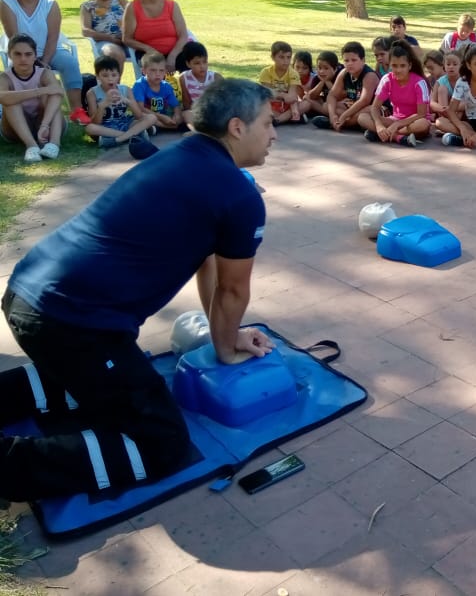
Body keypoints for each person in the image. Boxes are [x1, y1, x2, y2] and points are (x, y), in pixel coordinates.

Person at [0, 78, 276, 502]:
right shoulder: (238, 196)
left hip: (28, 295)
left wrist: (226, 336)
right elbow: (233, 293)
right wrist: (225, 349)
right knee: (162, 443)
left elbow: (210, 267)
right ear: (237, 127)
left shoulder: (184, 155)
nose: (274, 134)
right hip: (72, 323)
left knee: (96, 374)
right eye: (268, 123)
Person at [1, 0, 84, 118]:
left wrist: (44, 61)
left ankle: (77, 110)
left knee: (70, 63)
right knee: (17, 69)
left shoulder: (50, 4)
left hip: (50, 50)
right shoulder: (6, 3)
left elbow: (53, 37)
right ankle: (21, 111)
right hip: (21, 51)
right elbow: (14, 36)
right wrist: (31, 59)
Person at [0, 33, 65, 162]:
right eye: (17, 54)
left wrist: (45, 125)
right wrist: (40, 91)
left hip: (46, 124)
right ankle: (31, 146)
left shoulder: (45, 73)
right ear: (10, 56)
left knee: (53, 96)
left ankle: (54, 144)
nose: (23, 59)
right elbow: (2, 98)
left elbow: (58, 93)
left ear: (35, 56)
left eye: (28, 54)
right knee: (11, 100)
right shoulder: (4, 77)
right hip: (15, 129)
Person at [358, 42, 430, 146]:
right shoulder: (387, 79)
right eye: (394, 66)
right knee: (362, 117)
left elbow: (421, 114)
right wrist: (379, 126)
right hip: (394, 120)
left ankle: (384, 134)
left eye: (402, 66)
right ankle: (398, 137)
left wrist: (397, 124)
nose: (398, 70)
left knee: (422, 124)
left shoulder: (419, 82)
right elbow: (375, 107)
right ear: (390, 65)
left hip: (413, 122)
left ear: (409, 66)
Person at [122, 0, 192, 74]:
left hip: (175, 51)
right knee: (155, 71)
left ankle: (194, 89)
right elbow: (127, 39)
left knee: (194, 59)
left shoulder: (172, 5)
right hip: (148, 53)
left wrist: (172, 56)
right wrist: (148, 49)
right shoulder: (132, 7)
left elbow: (183, 35)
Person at [84, 55, 157, 148]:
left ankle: (118, 139)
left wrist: (127, 101)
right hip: (106, 127)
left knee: (151, 117)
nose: (110, 79)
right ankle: (134, 135)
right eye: (105, 76)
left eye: (114, 75)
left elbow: (138, 115)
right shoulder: (92, 93)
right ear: (98, 76)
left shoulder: (125, 90)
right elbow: (95, 122)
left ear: (119, 75)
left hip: (124, 122)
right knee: (89, 128)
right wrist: (103, 105)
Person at [80, 0, 131, 70]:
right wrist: (110, 38)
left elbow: (136, 20)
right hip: (104, 42)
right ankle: (115, 85)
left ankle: (150, 84)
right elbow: (85, 30)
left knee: (150, 51)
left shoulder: (122, 2)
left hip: (127, 40)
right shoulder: (88, 6)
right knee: (114, 53)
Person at [323, 42, 378, 132]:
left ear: (363, 60)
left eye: (354, 60)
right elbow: (332, 95)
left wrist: (344, 116)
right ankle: (340, 122)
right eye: (346, 61)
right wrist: (333, 115)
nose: (349, 64)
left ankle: (341, 123)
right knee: (327, 106)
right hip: (354, 105)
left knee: (363, 115)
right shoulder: (344, 73)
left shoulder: (369, 75)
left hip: (373, 107)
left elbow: (364, 101)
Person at [134, 52, 183, 131]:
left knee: (182, 115)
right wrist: (161, 117)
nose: (157, 74)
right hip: (148, 116)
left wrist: (177, 115)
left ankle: (158, 128)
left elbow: (176, 105)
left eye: (161, 70)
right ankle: (167, 127)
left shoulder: (166, 86)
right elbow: (140, 108)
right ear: (143, 71)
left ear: (165, 72)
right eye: (153, 70)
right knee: (144, 116)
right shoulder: (139, 85)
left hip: (163, 115)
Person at [178, 41, 223, 126]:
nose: (202, 66)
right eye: (197, 63)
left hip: (214, 111)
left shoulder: (216, 77)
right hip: (196, 112)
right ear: (188, 64)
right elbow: (186, 102)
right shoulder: (184, 78)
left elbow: (223, 100)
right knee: (186, 114)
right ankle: (197, 131)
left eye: (204, 62)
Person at [257, 41, 303, 124]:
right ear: (273, 57)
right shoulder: (266, 72)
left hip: (289, 105)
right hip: (272, 104)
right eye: (281, 57)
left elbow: (292, 97)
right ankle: (289, 117)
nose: (286, 61)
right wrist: (283, 96)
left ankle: (278, 120)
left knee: (306, 104)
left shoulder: (293, 73)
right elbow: (267, 94)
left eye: (288, 57)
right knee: (262, 108)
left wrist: (278, 95)